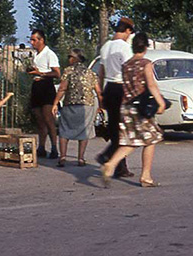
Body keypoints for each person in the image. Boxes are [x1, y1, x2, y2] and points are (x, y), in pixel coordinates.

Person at [101, 33, 167, 187]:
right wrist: (160, 102)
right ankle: (145, 176)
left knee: (133, 140)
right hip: (140, 108)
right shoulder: (146, 64)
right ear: (145, 47)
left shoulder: (126, 65)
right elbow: (151, 85)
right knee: (151, 139)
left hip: (126, 107)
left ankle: (111, 163)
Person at [96, 17, 135, 178]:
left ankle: (120, 166)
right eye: (129, 33)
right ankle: (108, 156)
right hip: (121, 88)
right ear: (127, 30)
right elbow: (128, 72)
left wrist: (101, 95)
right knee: (124, 129)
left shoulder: (106, 47)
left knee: (114, 128)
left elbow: (101, 72)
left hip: (109, 87)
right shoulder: (125, 48)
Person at [52, 49, 103, 167]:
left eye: (70, 56)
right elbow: (99, 92)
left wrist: (55, 102)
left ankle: (63, 156)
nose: (68, 59)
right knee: (84, 132)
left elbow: (62, 89)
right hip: (87, 106)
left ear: (75, 58)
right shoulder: (90, 73)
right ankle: (80, 158)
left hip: (70, 104)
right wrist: (101, 106)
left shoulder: (68, 71)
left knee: (64, 130)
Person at [29, 29, 61, 159]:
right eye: (31, 40)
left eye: (34, 40)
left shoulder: (49, 54)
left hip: (46, 86)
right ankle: (41, 147)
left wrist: (41, 73)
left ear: (41, 40)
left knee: (48, 119)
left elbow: (57, 73)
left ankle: (54, 147)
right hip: (37, 86)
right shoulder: (36, 55)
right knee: (39, 119)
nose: (32, 43)